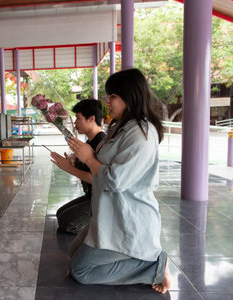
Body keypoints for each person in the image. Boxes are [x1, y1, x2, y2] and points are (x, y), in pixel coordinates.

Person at [66, 69, 171, 294]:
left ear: (129, 95)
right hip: (109, 215)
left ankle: (153, 266)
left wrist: (89, 158)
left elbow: (115, 180)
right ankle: (142, 259)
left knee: (80, 271)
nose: (108, 102)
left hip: (127, 219)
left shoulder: (141, 134)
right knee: (74, 251)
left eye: (112, 96)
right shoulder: (120, 126)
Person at [50, 99, 106, 234]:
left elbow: (96, 178)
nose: (75, 123)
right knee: (60, 214)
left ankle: (105, 223)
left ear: (91, 119)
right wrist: (71, 163)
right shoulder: (90, 141)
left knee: (67, 223)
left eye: (78, 118)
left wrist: (69, 168)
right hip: (92, 195)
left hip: (103, 198)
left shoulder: (102, 144)